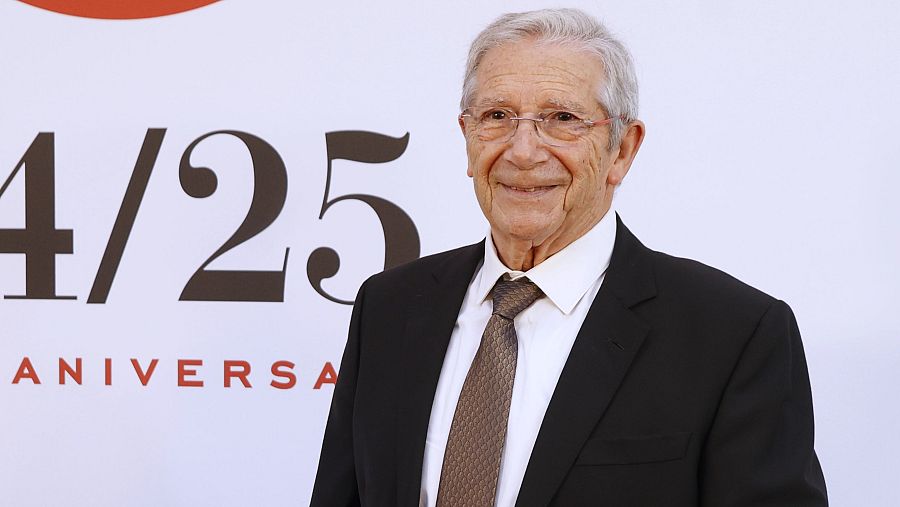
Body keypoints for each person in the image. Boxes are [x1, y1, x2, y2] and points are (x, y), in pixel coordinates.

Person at [311, 8, 828, 506]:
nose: (523, 151)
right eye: (497, 116)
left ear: (622, 149)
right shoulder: (389, 307)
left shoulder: (734, 334)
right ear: (467, 138)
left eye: (562, 118)